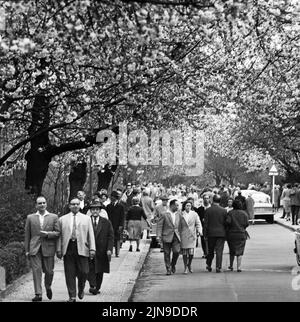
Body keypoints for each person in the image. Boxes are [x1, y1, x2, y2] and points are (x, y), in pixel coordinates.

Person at [56, 198, 96, 302]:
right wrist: (58, 249)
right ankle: (72, 296)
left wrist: (92, 248)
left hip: (82, 247)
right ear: (69, 206)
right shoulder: (62, 219)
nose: (75, 206)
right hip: (68, 247)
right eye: (73, 204)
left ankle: (81, 287)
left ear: (79, 206)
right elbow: (59, 236)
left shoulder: (86, 219)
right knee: (70, 273)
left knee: (84, 271)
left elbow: (90, 234)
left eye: (77, 204)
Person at [24, 196, 60, 302]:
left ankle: (48, 286)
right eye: (39, 203)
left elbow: (58, 233)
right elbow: (27, 235)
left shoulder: (53, 217)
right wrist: (27, 250)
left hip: (48, 248)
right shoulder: (30, 217)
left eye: (44, 202)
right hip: (34, 248)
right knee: (36, 271)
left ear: (46, 204)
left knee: (49, 271)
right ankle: (38, 294)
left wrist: (48, 234)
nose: (42, 205)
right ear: (36, 205)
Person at [88, 201, 114, 295]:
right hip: (89, 249)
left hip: (102, 250)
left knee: (100, 270)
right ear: (90, 211)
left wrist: (109, 249)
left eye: (97, 209)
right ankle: (93, 285)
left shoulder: (106, 222)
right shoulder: (86, 220)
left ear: (100, 211)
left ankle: (97, 287)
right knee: (89, 268)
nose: (95, 211)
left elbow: (111, 236)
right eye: (93, 209)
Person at [157, 199, 182, 275]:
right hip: (166, 235)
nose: (178, 207)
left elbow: (181, 225)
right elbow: (160, 225)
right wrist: (158, 236)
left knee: (176, 251)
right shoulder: (164, 214)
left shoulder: (179, 214)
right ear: (172, 205)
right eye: (177, 205)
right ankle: (168, 268)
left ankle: (173, 264)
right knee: (167, 253)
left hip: (176, 236)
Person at [204, 194, 227, 273]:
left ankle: (209, 264)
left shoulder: (208, 210)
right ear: (220, 201)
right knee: (219, 251)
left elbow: (205, 224)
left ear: (212, 200)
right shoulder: (224, 211)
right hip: (221, 233)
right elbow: (225, 223)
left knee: (210, 251)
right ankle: (218, 267)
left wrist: (205, 234)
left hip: (211, 233)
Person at [226, 200, 249, 272]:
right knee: (240, 250)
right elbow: (247, 224)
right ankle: (239, 267)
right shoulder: (244, 213)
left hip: (231, 234)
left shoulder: (230, 213)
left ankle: (231, 265)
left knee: (232, 250)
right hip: (241, 233)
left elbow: (228, 222)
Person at [179, 200, 202, 274]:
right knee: (185, 253)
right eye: (187, 205)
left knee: (191, 253)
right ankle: (185, 267)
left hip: (192, 235)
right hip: (184, 235)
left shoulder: (194, 214)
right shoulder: (181, 214)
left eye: (189, 206)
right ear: (184, 206)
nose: (188, 207)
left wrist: (199, 231)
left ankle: (189, 264)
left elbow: (198, 223)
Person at [106, 190, 125, 257]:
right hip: (110, 224)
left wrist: (121, 225)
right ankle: (110, 251)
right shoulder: (108, 206)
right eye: (111, 197)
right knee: (110, 238)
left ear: (115, 197)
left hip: (118, 225)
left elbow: (122, 217)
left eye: (113, 197)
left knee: (117, 239)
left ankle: (117, 252)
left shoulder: (121, 206)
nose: (111, 198)